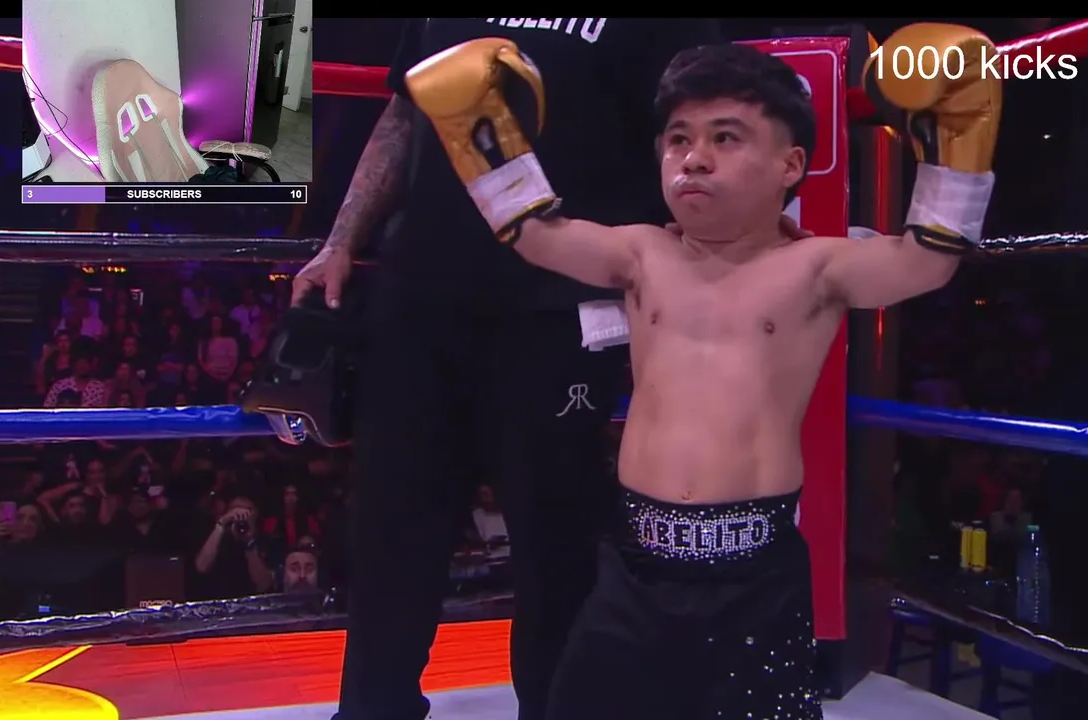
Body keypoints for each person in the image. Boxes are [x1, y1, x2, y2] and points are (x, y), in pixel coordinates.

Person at [408, 23, 999, 718]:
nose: (694, 158)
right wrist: (477, 132)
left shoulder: (815, 266)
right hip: (635, 562)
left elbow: (927, 259)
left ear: (790, 164)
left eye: (726, 137)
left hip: (754, 570)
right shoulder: (641, 253)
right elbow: (535, 234)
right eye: (679, 139)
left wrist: (960, 135)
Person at [291, 18, 724, 720]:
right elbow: (404, 113)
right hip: (421, 297)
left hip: (560, 308)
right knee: (391, 530)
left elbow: (686, 130)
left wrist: (686, 256)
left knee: (557, 546)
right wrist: (341, 241)